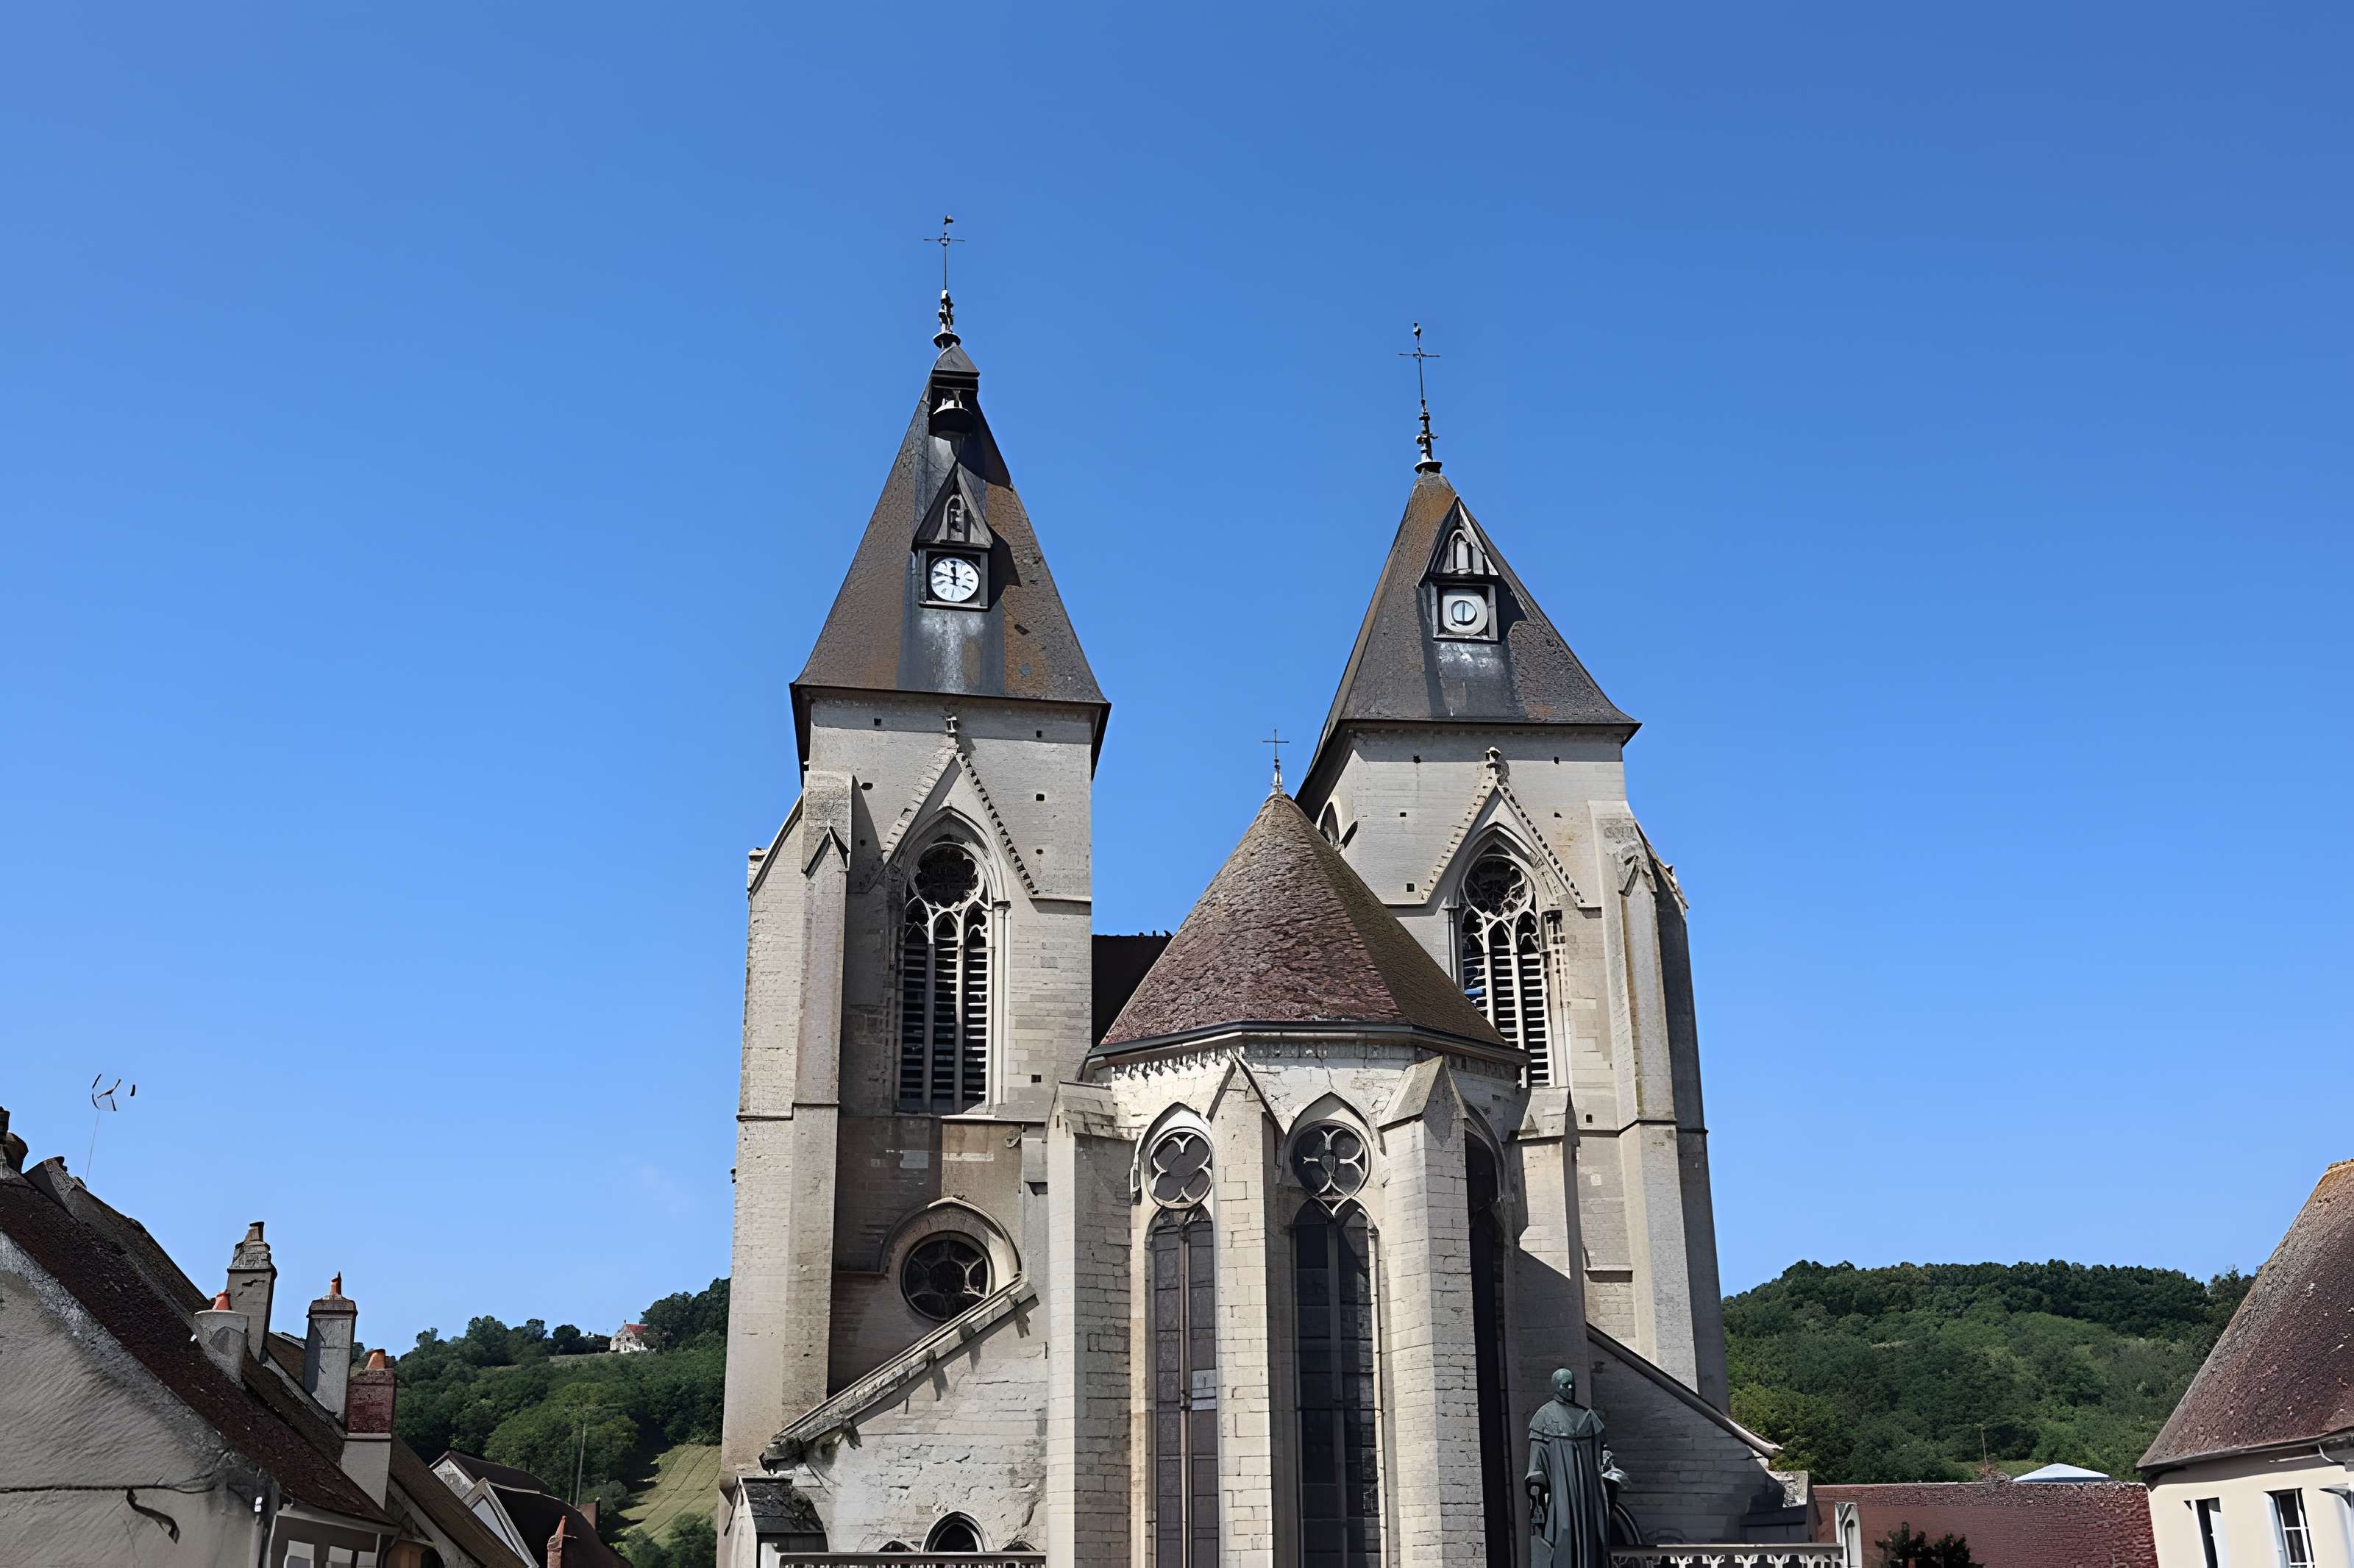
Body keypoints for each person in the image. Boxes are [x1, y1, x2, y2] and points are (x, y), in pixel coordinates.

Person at [1525, 1366, 1612, 1568]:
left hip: (1588, 1493)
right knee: (1564, 1531)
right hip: (1562, 1491)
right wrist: (1536, 1493)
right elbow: (1537, 1460)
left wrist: (1607, 1456)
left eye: (1573, 1384)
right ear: (1556, 1386)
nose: (1571, 1388)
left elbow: (1603, 1448)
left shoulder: (1588, 1417)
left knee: (1592, 1534)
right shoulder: (1544, 1417)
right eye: (1566, 1385)